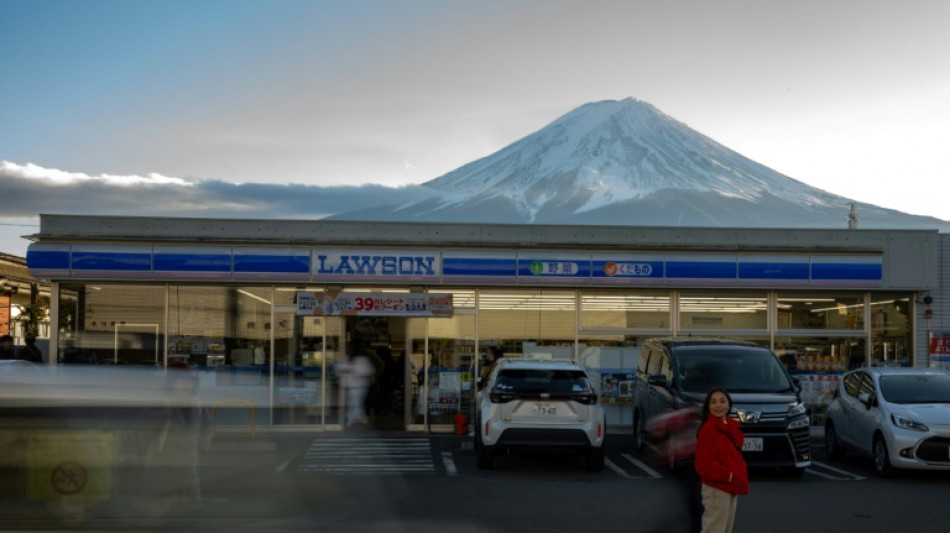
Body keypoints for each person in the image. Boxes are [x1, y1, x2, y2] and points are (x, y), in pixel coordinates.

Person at [694, 388, 749, 533]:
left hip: (730, 485)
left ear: (729, 405)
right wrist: (729, 475)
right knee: (713, 530)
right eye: (713, 402)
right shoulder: (708, 430)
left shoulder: (728, 427)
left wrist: (733, 476)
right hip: (716, 487)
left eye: (722, 401)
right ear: (708, 407)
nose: (718, 405)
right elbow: (703, 465)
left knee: (724, 530)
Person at [335, 341, 376, 426]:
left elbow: (340, 370)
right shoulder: (361, 359)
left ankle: (352, 419)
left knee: (354, 402)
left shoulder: (354, 359)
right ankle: (358, 418)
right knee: (355, 402)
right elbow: (368, 371)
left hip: (354, 385)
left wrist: (350, 370)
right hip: (358, 385)